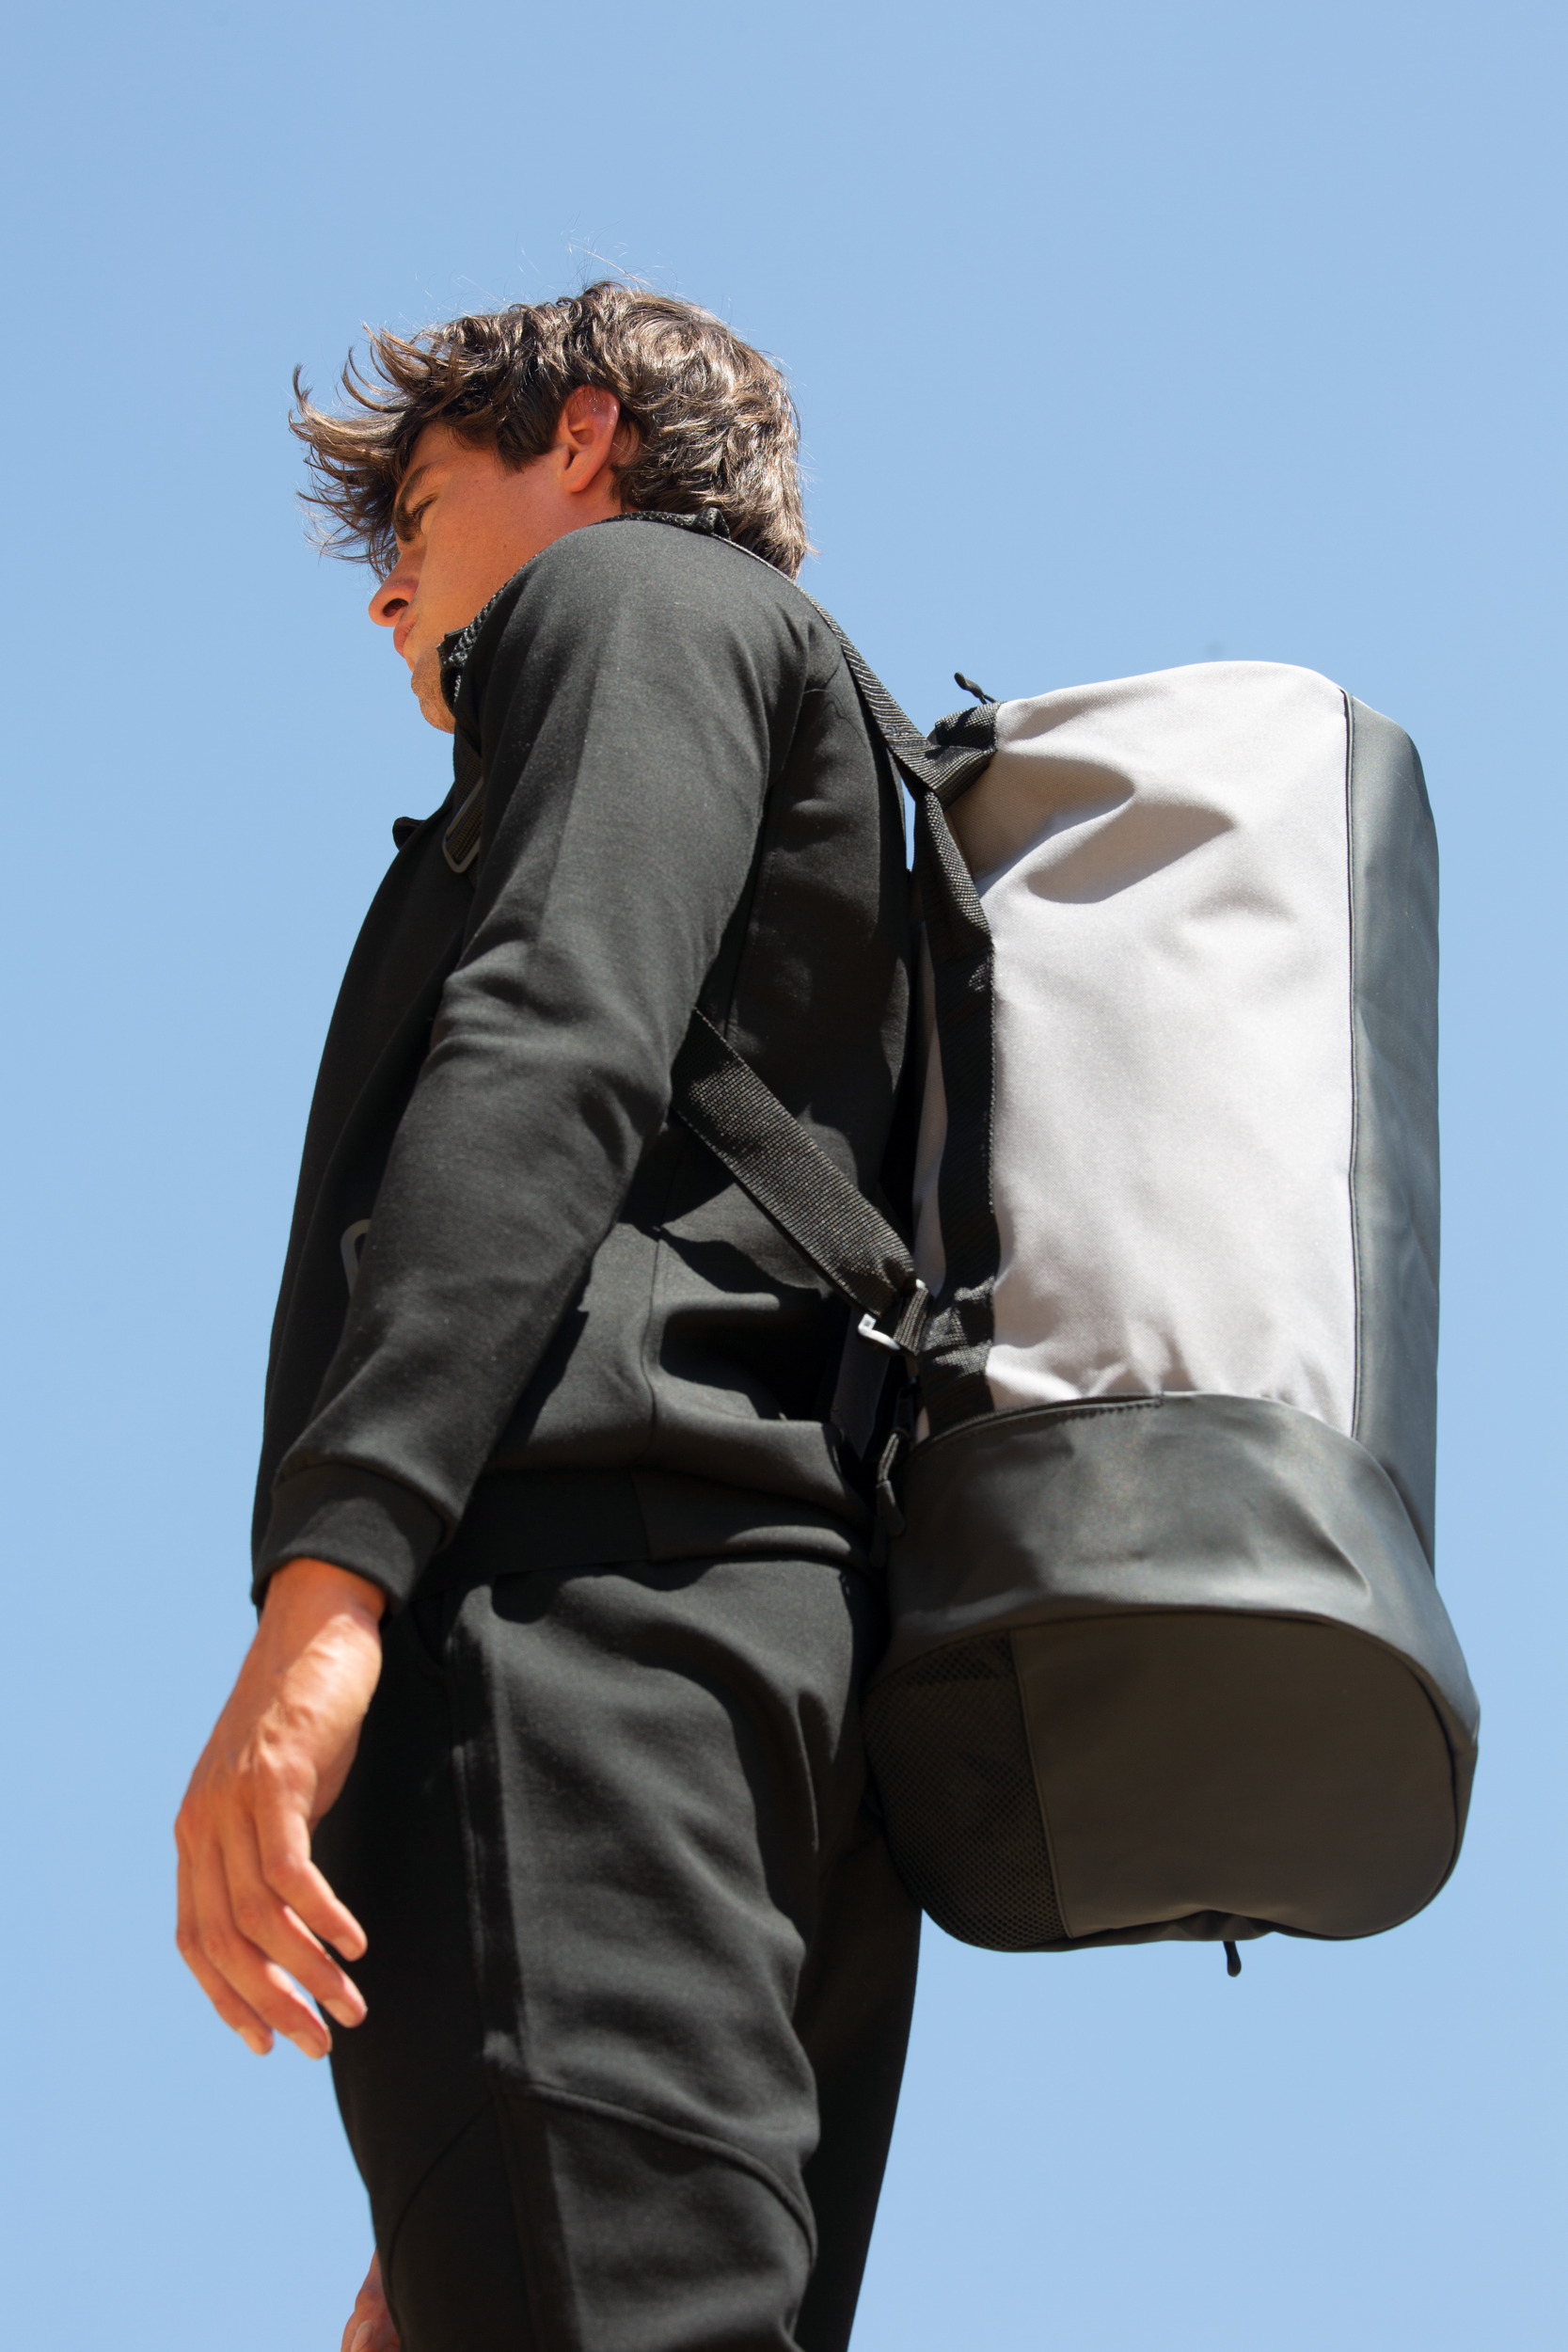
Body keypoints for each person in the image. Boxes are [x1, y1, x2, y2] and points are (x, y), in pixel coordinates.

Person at [174, 282, 922, 2352]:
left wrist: (327, 1600)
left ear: (579, 439)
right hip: (785, 1705)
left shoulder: (635, 606)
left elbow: (552, 1042)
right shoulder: (843, 759)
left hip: (581, 1635)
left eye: (418, 506)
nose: (389, 588)